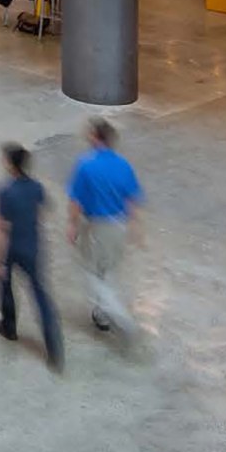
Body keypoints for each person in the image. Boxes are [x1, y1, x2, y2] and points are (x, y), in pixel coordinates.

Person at [68, 117, 143, 338]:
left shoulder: (86, 164)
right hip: (119, 224)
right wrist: (135, 227)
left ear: (95, 137)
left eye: (90, 133)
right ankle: (101, 314)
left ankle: (118, 314)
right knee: (108, 269)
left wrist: (72, 225)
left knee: (91, 270)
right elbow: (132, 199)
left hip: (96, 226)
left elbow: (75, 202)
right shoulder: (123, 164)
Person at [0, 143, 62, 368]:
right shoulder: (36, 187)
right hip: (31, 245)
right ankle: (54, 346)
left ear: (11, 165)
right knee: (40, 294)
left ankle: (9, 326)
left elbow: (2, 228)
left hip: (12, 247)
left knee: (4, 284)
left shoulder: (4, 191)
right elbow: (44, 209)